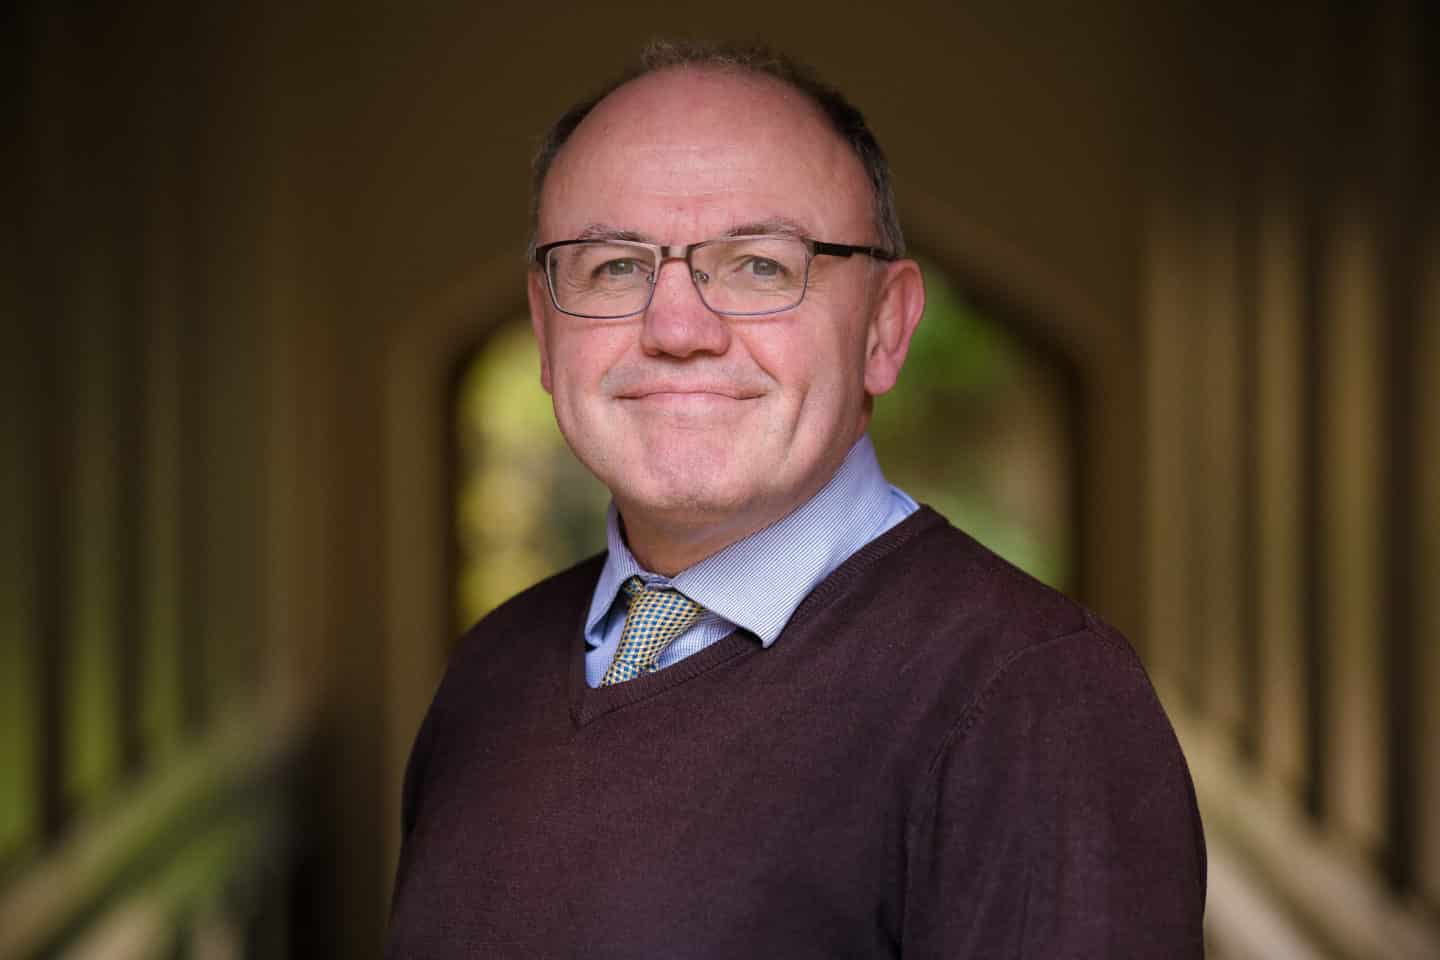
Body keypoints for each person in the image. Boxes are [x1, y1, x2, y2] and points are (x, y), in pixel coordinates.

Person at [386, 41, 1206, 958]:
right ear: (545, 333)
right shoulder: (492, 670)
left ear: (885, 329)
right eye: (613, 268)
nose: (677, 329)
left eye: (760, 266)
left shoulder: (1032, 704)